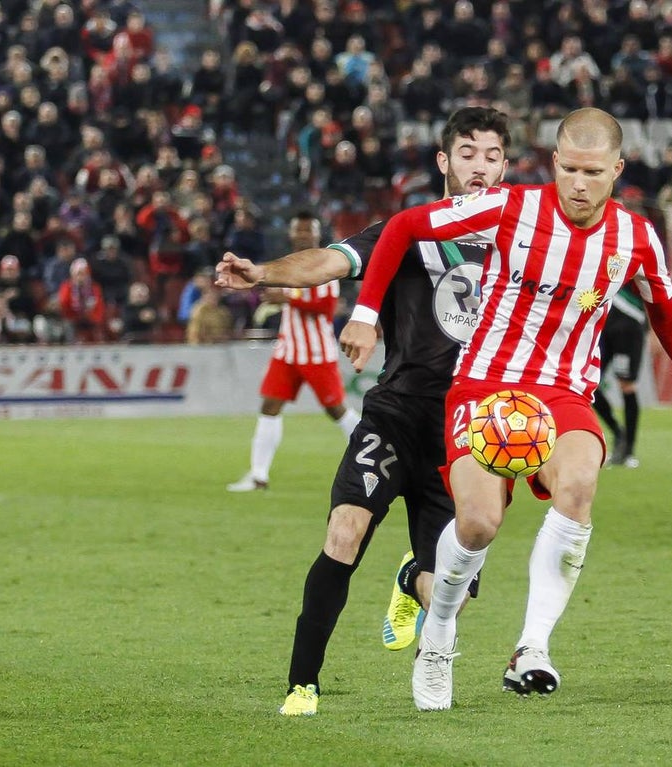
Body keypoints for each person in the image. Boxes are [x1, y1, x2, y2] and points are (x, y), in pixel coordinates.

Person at [340, 107, 672, 712]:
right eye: (570, 169)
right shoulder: (510, 208)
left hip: (564, 393)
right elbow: (402, 229)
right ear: (554, 162)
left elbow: (669, 315)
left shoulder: (635, 238)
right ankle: (439, 637)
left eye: (594, 172)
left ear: (617, 170)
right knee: (477, 525)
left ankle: (531, 647)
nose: (579, 183)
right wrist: (367, 313)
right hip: (483, 386)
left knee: (579, 485)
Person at [214, 107, 511, 716]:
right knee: (344, 532)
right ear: (444, 162)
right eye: (468, 154)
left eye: (492, 156)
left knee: (442, 593)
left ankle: (411, 579)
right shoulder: (405, 230)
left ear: (505, 165)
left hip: (469, 431)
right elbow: (328, 260)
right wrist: (263, 273)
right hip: (396, 415)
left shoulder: (523, 239)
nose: (480, 168)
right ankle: (303, 684)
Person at [226, 211, 361, 492]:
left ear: (316, 234)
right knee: (269, 406)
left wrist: (286, 298)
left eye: (307, 231)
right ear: (291, 234)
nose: (302, 235)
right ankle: (258, 475)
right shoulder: (287, 265)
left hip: (316, 353)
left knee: (336, 410)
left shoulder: (326, 264)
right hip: (288, 351)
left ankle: (373, 456)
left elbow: (325, 309)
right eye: (298, 230)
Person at [592, 282, 647, 467]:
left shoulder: (639, 254)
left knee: (627, 385)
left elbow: (654, 288)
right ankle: (617, 431)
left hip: (630, 323)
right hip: (602, 324)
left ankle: (629, 451)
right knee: (588, 384)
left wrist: (655, 329)